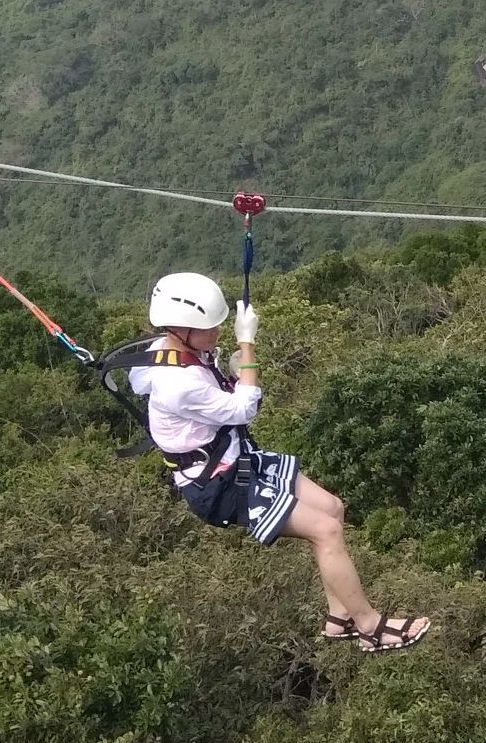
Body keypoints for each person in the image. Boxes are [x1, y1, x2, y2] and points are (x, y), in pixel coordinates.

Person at [128, 271, 429, 652]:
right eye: (208, 328)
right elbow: (244, 408)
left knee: (333, 508)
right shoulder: (177, 383)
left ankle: (339, 618)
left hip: (238, 461)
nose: (217, 333)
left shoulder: (171, 350)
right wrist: (247, 345)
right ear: (180, 327)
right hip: (218, 485)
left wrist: (231, 369)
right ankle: (370, 625)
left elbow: (218, 386)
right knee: (326, 531)